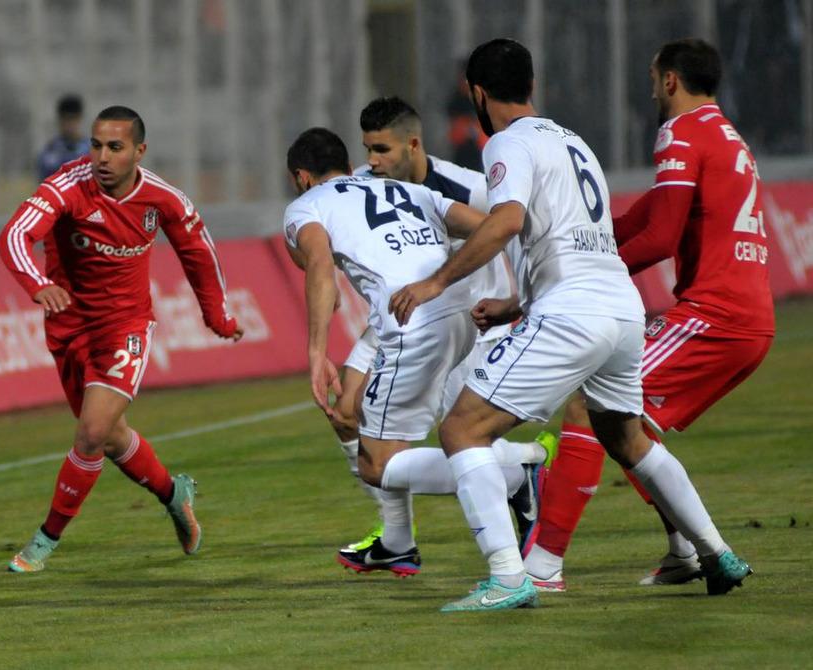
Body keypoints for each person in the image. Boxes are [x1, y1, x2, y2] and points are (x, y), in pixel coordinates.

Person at [389, 38, 751, 611]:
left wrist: (436, 281)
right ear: (530, 86)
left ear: (477, 95)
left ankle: (510, 578)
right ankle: (716, 552)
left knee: (462, 430)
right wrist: (516, 304)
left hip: (574, 313)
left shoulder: (507, 142)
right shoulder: (573, 140)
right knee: (626, 437)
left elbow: (506, 221)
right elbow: (585, 240)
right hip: (622, 310)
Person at [520, 37, 775, 591]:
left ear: (669, 81)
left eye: (652, 77)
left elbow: (660, 237)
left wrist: (584, 272)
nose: (652, 89)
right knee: (625, 425)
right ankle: (687, 551)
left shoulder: (679, 131)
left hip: (715, 315)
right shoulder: (725, 133)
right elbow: (656, 213)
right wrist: (599, 242)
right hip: (745, 317)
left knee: (589, 410)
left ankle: (541, 568)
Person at [283, 127, 547, 578]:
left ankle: (516, 475)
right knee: (362, 418)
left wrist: (315, 352)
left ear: (301, 177)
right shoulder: (405, 189)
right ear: (349, 168)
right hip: (458, 313)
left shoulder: (306, 207)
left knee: (377, 464)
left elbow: (320, 267)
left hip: (413, 323)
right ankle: (397, 543)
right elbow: (490, 227)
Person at [0, 105, 243, 572]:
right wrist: (38, 284)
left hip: (125, 327)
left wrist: (218, 316)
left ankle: (44, 541)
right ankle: (174, 494)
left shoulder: (162, 198)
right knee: (108, 438)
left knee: (90, 433)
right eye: (96, 145)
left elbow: (198, 252)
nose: (102, 157)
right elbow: (14, 236)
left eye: (115, 147)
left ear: (139, 151)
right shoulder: (67, 188)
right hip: (69, 328)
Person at [37, 94, 91, 180]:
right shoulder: (50, 152)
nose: (69, 124)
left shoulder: (91, 150)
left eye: (73, 119)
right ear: (60, 120)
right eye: (66, 119)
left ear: (80, 119)